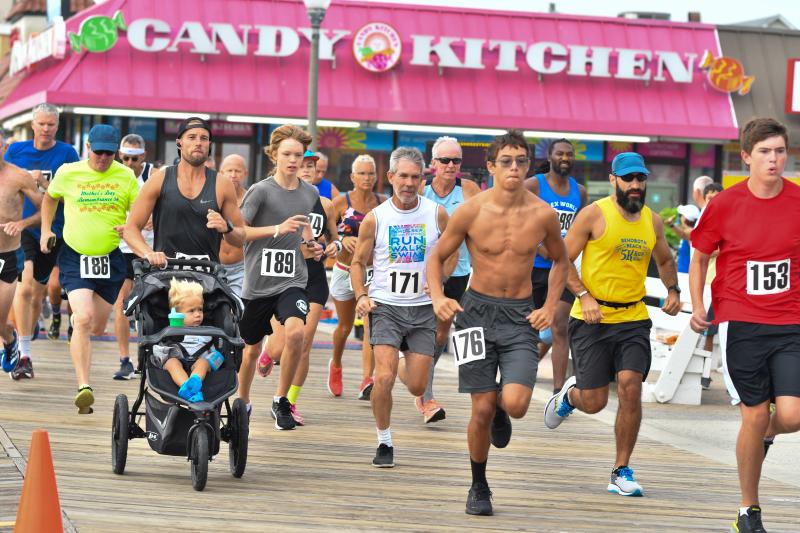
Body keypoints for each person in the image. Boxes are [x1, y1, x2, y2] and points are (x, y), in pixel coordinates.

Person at [428, 131, 568, 515]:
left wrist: (551, 304)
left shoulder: (542, 213)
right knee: (481, 408)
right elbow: (436, 257)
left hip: (520, 314)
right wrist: (439, 297)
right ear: (490, 167)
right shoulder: (471, 211)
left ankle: (503, 408)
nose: (514, 168)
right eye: (506, 161)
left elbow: (561, 259)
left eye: (521, 161)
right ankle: (479, 485)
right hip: (474, 314)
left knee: (516, 403)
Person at [543, 151, 680, 498]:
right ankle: (571, 396)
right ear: (615, 180)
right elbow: (563, 259)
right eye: (629, 179)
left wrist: (673, 289)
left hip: (632, 318)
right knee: (595, 402)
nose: (636, 185)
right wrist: (584, 295)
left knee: (631, 385)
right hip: (592, 319)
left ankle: (621, 470)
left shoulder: (652, 221)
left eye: (641, 179)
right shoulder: (594, 214)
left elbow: (664, 258)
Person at [689, 118, 800, 533]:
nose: (774, 160)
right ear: (747, 157)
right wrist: (699, 305)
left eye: (780, 151)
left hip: (791, 320)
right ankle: (748, 511)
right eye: (765, 152)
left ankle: (760, 440)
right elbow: (700, 257)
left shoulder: (797, 200)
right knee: (753, 417)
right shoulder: (725, 204)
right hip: (741, 319)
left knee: (792, 415)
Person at [352, 146, 453, 468]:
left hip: (423, 309)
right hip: (386, 306)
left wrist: (439, 281)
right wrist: (360, 296)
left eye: (415, 177)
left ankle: (402, 358)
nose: (408, 183)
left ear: (423, 179)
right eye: (403, 176)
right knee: (384, 377)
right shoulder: (376, 218)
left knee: (417, 385)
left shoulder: (436, 213)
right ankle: (384, 441)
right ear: (391, 177)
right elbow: (357, 262)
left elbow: (452, 253)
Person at [40, 124, 139, 414]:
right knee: (82, 319)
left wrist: (135, 224)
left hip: (111, 258)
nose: (103, 158)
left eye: (110, 153)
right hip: (75, 255)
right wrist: (46, 229)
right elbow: (50, 198)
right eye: (99, 152)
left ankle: (79, 333)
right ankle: (84, 386)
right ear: (88, 148)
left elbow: (141, 208)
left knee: (95, 326)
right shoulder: (69, 172)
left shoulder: (126, 176)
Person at [235, 124, 323, 430]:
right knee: (250, 350)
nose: (293, 160)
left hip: (292, 281)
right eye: (287, 154)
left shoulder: (310, 193)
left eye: (298, 155)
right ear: (274, 155)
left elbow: (304, 235)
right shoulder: (259, 192)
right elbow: (238, 234)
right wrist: (276, 229)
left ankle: (281, 400)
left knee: (297, 332)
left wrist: (312, 246)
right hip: (258, 285)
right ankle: (242, 401)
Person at [261, 150, 341, 424]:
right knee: (279, 349)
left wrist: (334, 246)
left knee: (305, 341)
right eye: (303, 166)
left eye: (312, 167)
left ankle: (289, 401)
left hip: (314, 278)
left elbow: (334, 237)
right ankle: (267, 351)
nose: (307, 171)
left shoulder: (326, 204)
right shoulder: (276, 199)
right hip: (283, 275)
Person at [4, 103, 79, 379]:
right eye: (41, 124)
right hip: (21, 227)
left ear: (57, 127)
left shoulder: (67, 154)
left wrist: (45, 184)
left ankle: (29, 329)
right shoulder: (16, 151)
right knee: (23, 289)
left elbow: (73, 192)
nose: (46, 129)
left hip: (53, 229)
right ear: (32, 125)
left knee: (37, 293)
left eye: (51, 124)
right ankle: (24, 355)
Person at [415, 135, 480, 424]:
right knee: (419, 329)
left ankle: (423, 388)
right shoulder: (420, 189)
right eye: (445, 160)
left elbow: (483, 228)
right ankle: (423, 392)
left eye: (456, 161)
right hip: (420, 271)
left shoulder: (469, 190)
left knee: (440, 334)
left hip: (459, 271)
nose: (451, 165)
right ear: (432, 164)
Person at [124, 116, 245, 267]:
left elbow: (240, 238)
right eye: (192, 137)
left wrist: (227, 229)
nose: (198, 143)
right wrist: (148, 253)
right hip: (165, 276)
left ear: (209, 144)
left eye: (204, 138)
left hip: (207, 279)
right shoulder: (159, 179)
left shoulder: (222, 184)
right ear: (179, 142)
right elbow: (130, 229)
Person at [524, 138, 587, 395]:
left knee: (560, 325)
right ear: (550, 157)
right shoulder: (533, 185)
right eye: (559, 153)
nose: (564, 157)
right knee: (527, 328)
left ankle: (559, 391)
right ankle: (519, 381)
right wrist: (541, 246)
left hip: (562, 268)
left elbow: (581, 229)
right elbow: (519, 220)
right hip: (532, 268)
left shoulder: (579, 192)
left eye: (569, 154)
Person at [328, 155, 384, 400]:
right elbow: (326, 236)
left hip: (372, 272)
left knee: (371, 325)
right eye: (362, 173)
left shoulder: (383, 203)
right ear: (352, 177)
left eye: (371, 173)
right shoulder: (340, 202)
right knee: (345, 326)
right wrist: (341, 239)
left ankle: (366, 379)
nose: (367, 178)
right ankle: (336, 364)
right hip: (344, 269)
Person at [0, 132, 45, 376]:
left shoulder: (19, 176)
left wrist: (22, 224)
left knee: (0, 319)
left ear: (4, 147)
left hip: (7, 256)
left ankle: (9, 341)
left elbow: (43, 210)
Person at [112, 133, 154, 379]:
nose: (129, 163)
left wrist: (153, 219)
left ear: (143, 157)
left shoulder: (154, 177)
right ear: (120, 156)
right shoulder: (113, 177)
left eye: (134, 159)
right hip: (123, 249)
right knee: (122, 304)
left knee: (149, 305)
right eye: (125, 158)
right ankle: (124, 359)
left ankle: (146, 357)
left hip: (149, 250)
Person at [151, 278, 223, 403]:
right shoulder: (170, 332)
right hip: (178, 361)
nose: (198, 314)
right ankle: (188, 388)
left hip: (200, 364)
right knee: (171, 362)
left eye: (200, 309)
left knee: (203, 363)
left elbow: (215, 353)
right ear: (177, 313)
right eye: (191, 311)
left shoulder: (208, 332)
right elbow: (161, 350)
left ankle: (194, 383)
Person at [217, 154, 249, 296]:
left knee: (237, 311)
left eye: (238, 171)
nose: (233, 175)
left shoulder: (251, 198)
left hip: (241, 267)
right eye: (229, 171)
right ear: (221, 173)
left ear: (245, 174)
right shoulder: (212, 197)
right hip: (214, 266)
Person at [668, 204, 700, 274]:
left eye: (681, 216)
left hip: (687, 274)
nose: (680, 218)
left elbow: (683, 234)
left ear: (685, 218)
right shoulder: (689, 231)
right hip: (683, 273)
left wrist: (671, 225)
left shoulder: (691, 231)